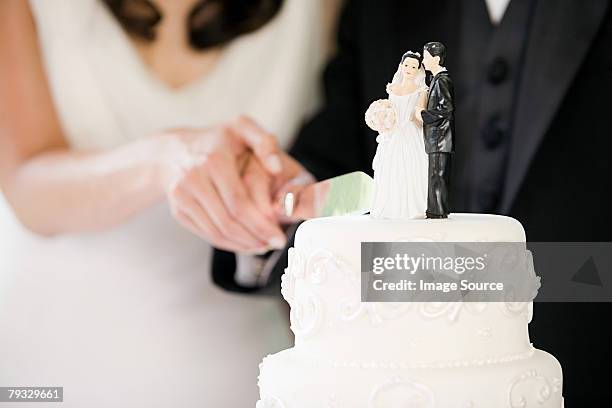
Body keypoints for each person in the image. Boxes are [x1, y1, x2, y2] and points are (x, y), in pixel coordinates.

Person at [214, 0, 612, 406]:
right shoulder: (376, 8)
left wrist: (443, 276)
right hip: (388, 384)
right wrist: (264, 206)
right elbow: (329, 166)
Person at [0, 0, 335, 406]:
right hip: (52, 352)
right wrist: (164, 160)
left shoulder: (322, 9)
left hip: (239, 360)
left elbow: (331, 157)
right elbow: (25, 185)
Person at [366, 50, 428, 220]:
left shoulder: (421, 90)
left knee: (410, 168)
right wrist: (382, 116)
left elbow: (419, 112)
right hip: (392, 132)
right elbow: (390, 106)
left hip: (409, 131)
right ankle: (389, 207)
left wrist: (420, 118)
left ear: (418, 70)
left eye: (413, 66)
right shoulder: (393, 87)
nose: (409, 69)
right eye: (407, 65)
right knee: (389, 168)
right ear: (401, 66)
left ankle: (412, 208)